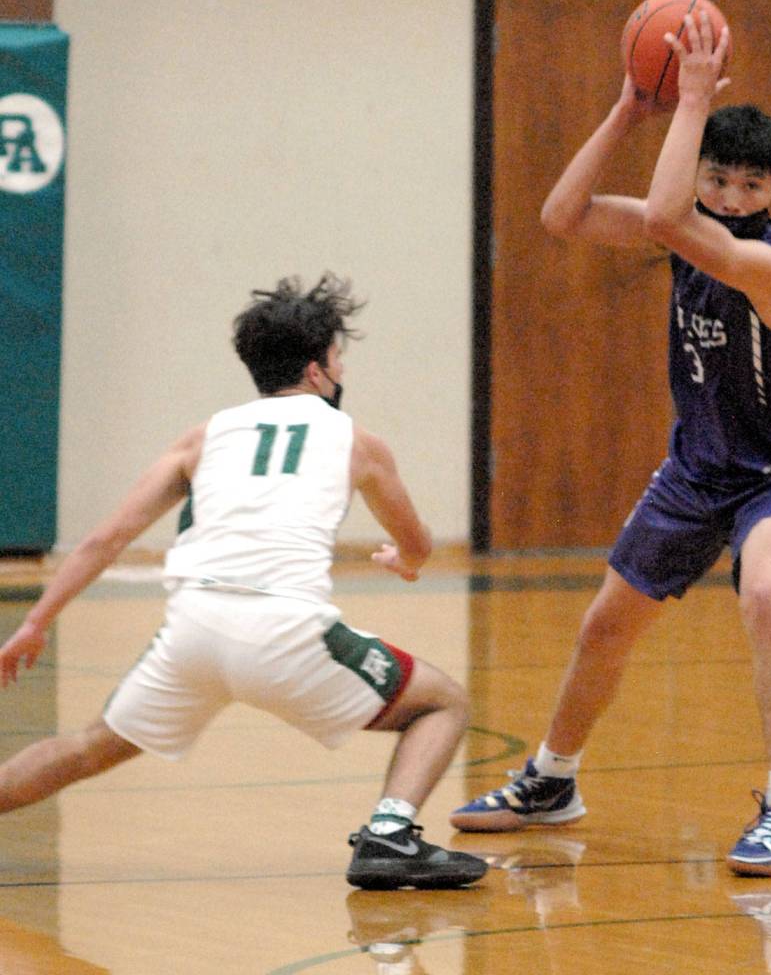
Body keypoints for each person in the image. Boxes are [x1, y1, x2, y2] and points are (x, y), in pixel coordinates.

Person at [451, 13, 771, 877]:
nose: (732, 196)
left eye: (750, 185)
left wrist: (692, 99)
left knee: (766, 592)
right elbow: (562, 213)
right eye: (720, 180)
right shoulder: (684, 231)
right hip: (696, 473)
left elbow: (665, 213)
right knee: (603, 628)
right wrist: (630, 110)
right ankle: (552, 780)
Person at [0, 273, 487, 891]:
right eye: (338, 357)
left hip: (193, 630)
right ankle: (390, 834)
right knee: (443, 702)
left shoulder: (203, 437)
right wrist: (403, 561)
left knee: (88, 747)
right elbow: (417, 543)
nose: (341, 369)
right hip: (287, 632)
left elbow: (105, 541)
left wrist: (35, 624)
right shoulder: (357, 441)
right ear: (317, 371)